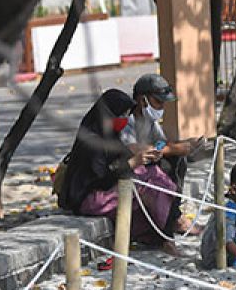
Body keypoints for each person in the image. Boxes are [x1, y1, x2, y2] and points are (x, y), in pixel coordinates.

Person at [57, 89, 181, 256]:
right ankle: (166, 238)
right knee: (147, 183)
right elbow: (101, 178)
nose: (123, 119)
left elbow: (120, 159)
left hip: (107, 189)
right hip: (90, 197)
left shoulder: (110, 135)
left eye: (125, 114)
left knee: (155, 174)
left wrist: (144, 157)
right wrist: (133, 162)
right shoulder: (92, 140)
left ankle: (165, 230)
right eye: (120, 114)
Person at [120, 73, 210, 235]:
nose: (161, 108)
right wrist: (173, 149)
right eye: (158, 102)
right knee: (169, 165)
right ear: (142, 100)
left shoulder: (150, 121)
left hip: (148, 164)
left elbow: (161, 143)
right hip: (128, 171)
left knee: (177, 161)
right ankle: (170, 221)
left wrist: (184, 144)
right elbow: (134, 149)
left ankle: (174, 215)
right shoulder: (128, 120)